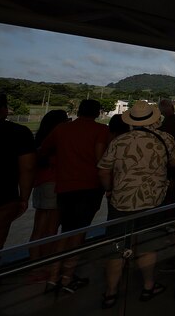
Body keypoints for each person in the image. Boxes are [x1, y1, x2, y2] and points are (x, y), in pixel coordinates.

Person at [97, 101, 175, 309]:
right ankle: (148, 285)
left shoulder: (120, 140)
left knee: (116, 247)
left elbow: (103, 170)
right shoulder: (165, 138)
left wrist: (109, 189)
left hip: (120, 201)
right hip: (153, 200)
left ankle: (111, 292)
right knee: (147, 245)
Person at [39, 98, 110, 294]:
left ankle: (53, 277)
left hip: (64, 187)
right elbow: (101, 159)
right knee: (79, 232)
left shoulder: (61, 129)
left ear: (79, 111)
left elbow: (43, 150)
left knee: (66, 230)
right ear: (97, 113)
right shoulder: (101, 130)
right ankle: (67, 278)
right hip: (90, 187)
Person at [0, 93, 35, 259]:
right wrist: (24, 198)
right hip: (5, 197)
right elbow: (27, 167)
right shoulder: (19, 132)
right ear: (4, 110)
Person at [28, 109, 68, 260]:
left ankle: (33, 262)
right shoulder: (58, 140)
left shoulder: (39, 140)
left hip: (40, 185)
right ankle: (45, 262)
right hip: (53, 186)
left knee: (38, 229)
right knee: (51, 229)